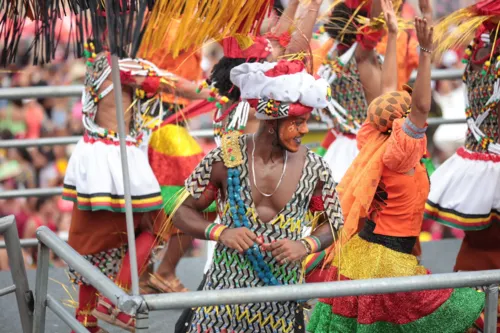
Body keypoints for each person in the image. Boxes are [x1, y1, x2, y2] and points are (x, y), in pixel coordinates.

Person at [307, 2, 485, 332]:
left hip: (364, 256)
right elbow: (419, 103)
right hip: (388, 263)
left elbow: (389, 89)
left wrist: (392, 34)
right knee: (464, 314)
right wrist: (427, 51)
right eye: (410, 117)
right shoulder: (401, 154)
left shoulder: (376, 139)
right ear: (404, 123)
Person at [173, 59, 343, 332]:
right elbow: (181, 211)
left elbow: (334, 223)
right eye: (297, 122)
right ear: (273, 122)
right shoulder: (226, 157)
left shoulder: (315, 167)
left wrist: (306, 245)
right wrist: (221, 232)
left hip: (281, 301)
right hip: (223, 298)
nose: (305, 130)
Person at [425, 1, 500, 331]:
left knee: (468, 257)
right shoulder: (486, 53)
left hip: (476, 165)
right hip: (486, 165)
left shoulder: (479, 52)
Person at [313, 0, 385, 183]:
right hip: (365, 146)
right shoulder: (361, 57)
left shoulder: (331, 58)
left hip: (340, 149)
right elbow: (376, 25)